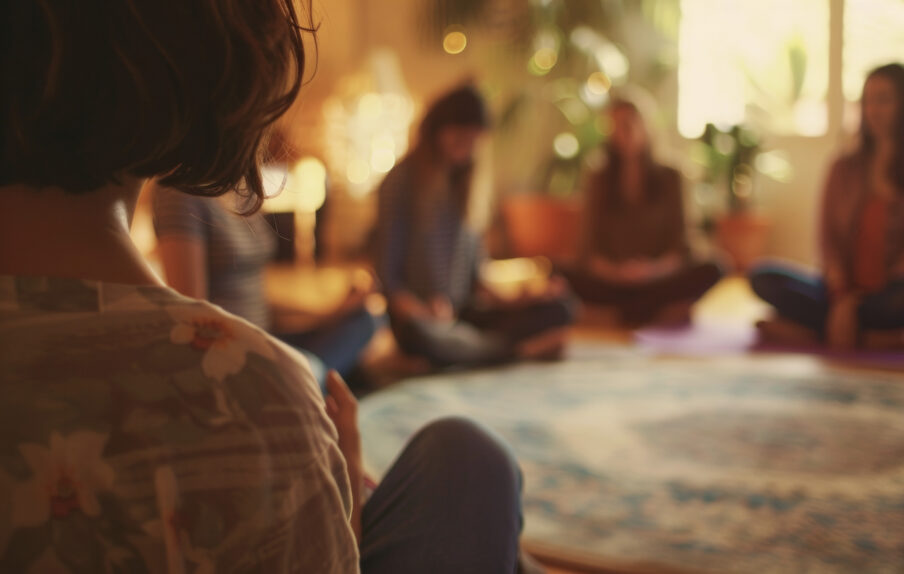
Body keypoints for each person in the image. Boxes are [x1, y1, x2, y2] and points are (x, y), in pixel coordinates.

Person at [0, 2, 528, 572]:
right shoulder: (257, 402)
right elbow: (197, 307)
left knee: (444, 430)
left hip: (267, 343)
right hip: (262, 366)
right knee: (474, 459)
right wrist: (343, 498)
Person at [749, 63, 904, 349]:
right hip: (842, 292)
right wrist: (843, 294)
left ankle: (818, 329)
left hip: (897, 294)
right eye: (868, 101)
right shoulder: (843, 168)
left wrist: (855, 305)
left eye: (884, 99)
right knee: (763, 277)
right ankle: (873, 336)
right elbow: (827, 241)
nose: (874, 110)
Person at [376, 84, 576, 368]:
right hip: (419, 319)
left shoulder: (466, 185)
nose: (467, 149)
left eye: (473, 142)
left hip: (465, 315)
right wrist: (422, 311)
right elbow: (388, 279)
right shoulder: (400, 183)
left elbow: (477, 279)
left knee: (561, 307)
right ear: (437, 132)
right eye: (460, 138)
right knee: (426, 338)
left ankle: (482, 349)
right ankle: (515, 352)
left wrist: (522, 297)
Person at [151, 183, 379, 386]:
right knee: (342, 361)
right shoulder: (180, 192)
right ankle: (303, 381)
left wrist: (331, 312)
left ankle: (309, 378)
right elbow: (192, 316)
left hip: (266, 334)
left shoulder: (244, 187)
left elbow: (257, 297)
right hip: (235, 351)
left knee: (364, 319)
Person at [565, 98, 723, 327]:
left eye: (629, 123)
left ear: (646, 125)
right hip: (611, 280)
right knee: (556, 272)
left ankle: (620, 313)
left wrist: (651, 271)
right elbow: (587, 248)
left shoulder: (672, 176)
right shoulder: (598, 178)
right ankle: (651, 311)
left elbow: (682, 244)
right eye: (615, 126)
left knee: (715, 267)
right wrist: (615, 272)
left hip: (658, 278)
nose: (623, 132)